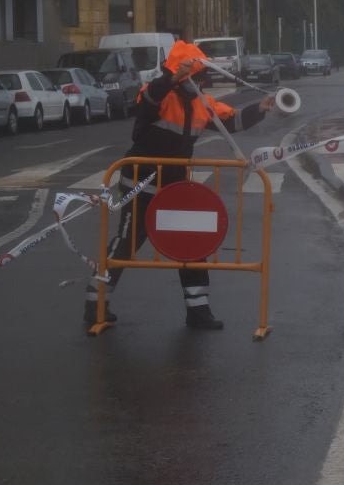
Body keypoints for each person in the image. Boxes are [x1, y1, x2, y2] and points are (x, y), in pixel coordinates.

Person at [83, 37, 275, 330]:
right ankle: (95, 302)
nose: (200, 82)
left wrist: (260, 107)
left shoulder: (201, 104)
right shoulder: (157, 94)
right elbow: (148, 102)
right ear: (179, 73)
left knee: (191, 243)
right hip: (140, 182)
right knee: (127, 242)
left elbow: (232, 121)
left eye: (199, 77)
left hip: (175, 187)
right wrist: (171, 79)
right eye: (195, 76)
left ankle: (198, 311)